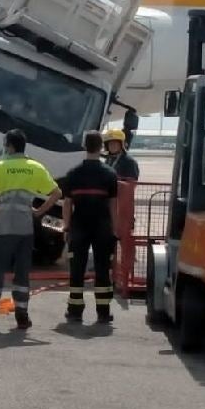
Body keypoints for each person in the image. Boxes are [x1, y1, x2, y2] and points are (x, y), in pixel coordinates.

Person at [0, 129, 62, 331]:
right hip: (25, 227)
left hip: (3, 226)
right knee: (22, 274)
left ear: (10, 146)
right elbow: (56, 193)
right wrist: (38, 212)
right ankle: (22, 316)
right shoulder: (35, 168)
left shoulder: (1, 167)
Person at [60, 131, 119, 324]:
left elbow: (67, 204)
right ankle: (103, 312)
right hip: (102, 226)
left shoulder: (72, 174)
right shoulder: (110, 174)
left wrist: (66, 227)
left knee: (76, 269)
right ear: (101, 147)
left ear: (85, 146)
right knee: (103, 269)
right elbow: (113, 206)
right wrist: (115, 229)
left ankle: (75, 311)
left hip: (79, 226)